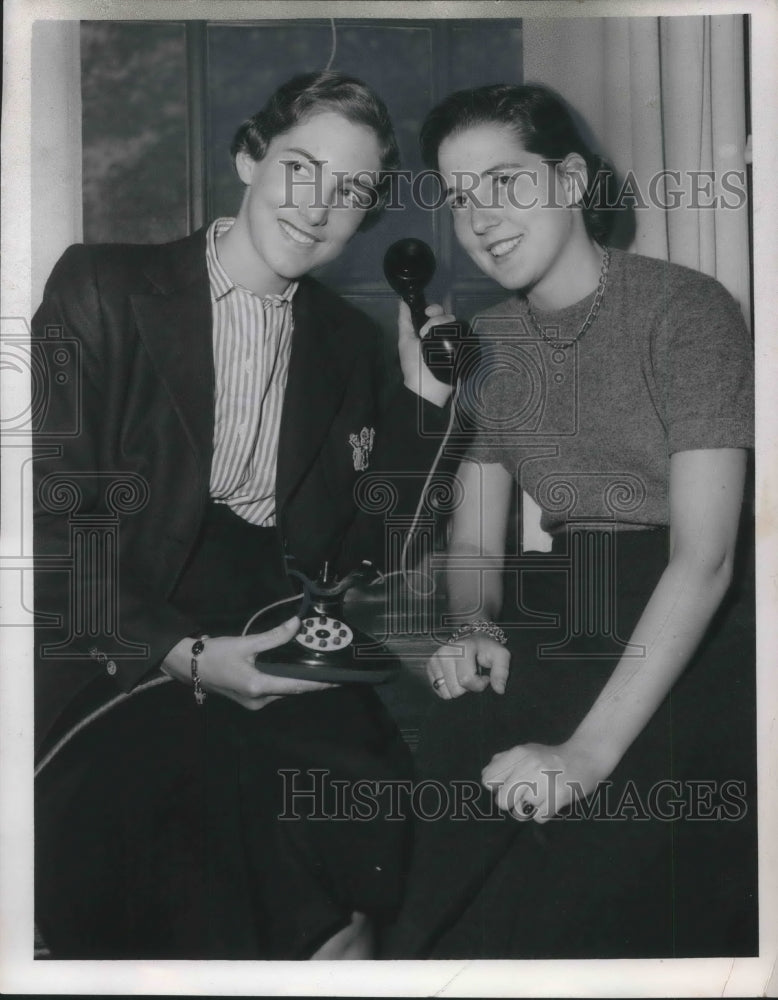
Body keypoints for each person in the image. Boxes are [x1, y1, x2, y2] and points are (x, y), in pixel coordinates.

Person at [33, 71, 454, 960]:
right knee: (201, 819)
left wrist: (422, 406)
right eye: (301, 168)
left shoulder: (350, 342)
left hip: (277, 628)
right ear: (247, 158)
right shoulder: (103, 287)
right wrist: (182, 654)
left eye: (352, 191)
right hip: (123, 634)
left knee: (349, 829)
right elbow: (53, 526)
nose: (319, 207)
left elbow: (370, 554)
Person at [385, 83, 756, 958]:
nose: (480, 217)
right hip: (571, 602)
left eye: (505, 182)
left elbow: (706, 560)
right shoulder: (487, 345)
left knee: (587, 862)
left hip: (701, 617)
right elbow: (475, 537)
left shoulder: (686, 309)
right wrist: (474, 623)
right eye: (460, 196)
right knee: (439, 783)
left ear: (573, 178)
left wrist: (584, 756)